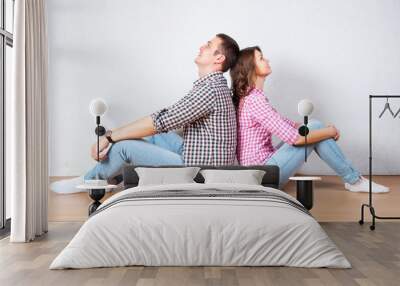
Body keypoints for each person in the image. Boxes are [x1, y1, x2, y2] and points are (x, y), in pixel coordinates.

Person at [51, 33, 240, 193]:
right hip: (199, 153)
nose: (202, 46)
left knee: (123, 148)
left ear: (219, 58)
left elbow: (159, 122)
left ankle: (89, 181)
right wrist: (113, 135)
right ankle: (111, 178)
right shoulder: (212, 86)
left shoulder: (210, 90)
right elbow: (163, 118)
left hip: (200, 170)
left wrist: (111, 138)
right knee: (157, 138)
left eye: (208, 45)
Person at [231, 46, 389, 193]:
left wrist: (322, 131)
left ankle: (353, 179)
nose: (267, 60)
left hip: (261, 171)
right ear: (250, 68)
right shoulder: (255, 100)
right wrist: (329, 131)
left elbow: (285, 123)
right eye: (261, 58)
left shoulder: (252, 98)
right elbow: (296, 139)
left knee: (314, 126)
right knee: (315, 127)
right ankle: (354, 180)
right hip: (262, 177)